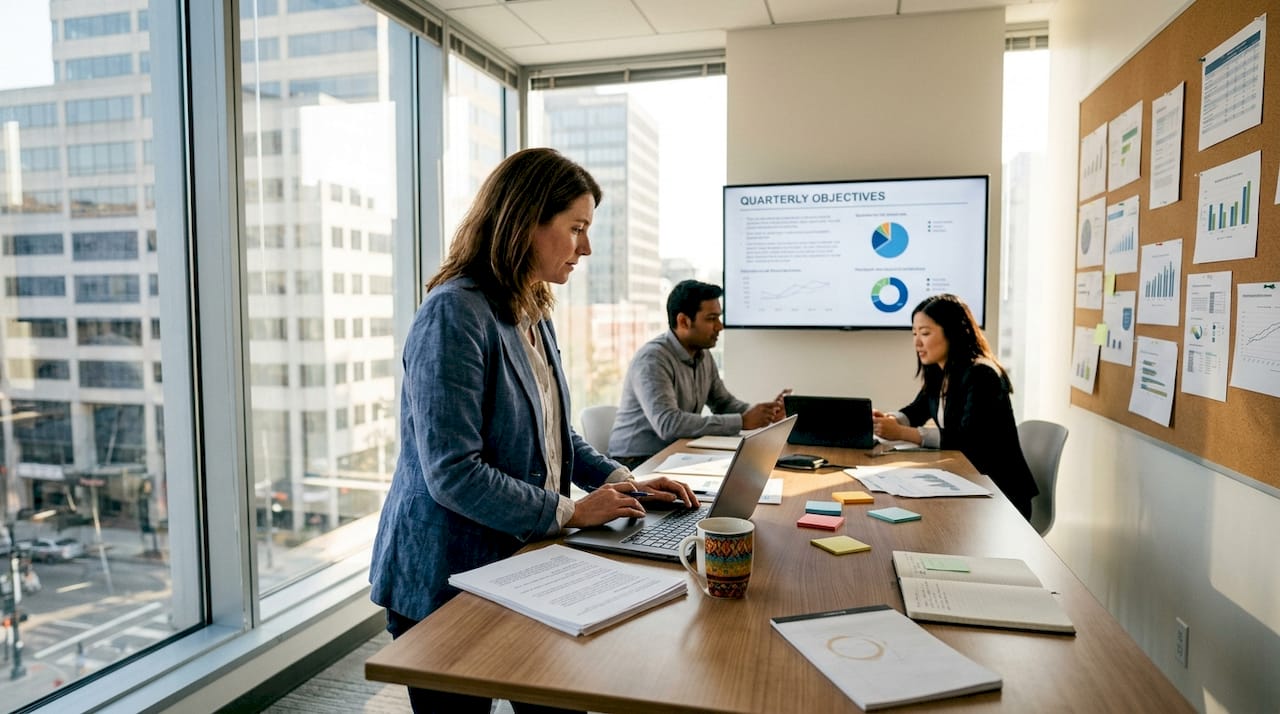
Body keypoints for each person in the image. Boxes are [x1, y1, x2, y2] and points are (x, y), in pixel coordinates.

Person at [369, 148, 698, 714]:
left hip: (525, 561)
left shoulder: (532, 308)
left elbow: (554, 434)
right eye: (576, 228)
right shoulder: (454, 313)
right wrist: (573, 511)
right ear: (525, 223)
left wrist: (622, 482)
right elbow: (453, 472)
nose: (586, 248)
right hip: (448, 574)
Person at [871, 293, 1038, 520]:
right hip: (967, 483)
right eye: (914, 333)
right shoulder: (941, 371)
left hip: (1000, 494)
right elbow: (916, 410)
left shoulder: (982, 374)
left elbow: (967, 439)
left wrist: (901, 433)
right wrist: (889, 420)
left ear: (952, 332)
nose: (917, 343)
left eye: (925, 333)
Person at [608, 280, 790, 468]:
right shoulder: (652, 359)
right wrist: (742, 421)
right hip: (635, 461)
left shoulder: (703, 355)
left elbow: (723, 403)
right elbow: (669, 424)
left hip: (676, 452)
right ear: (683, 321)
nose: (720, 326)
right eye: (711, 319)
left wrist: (764, 414)